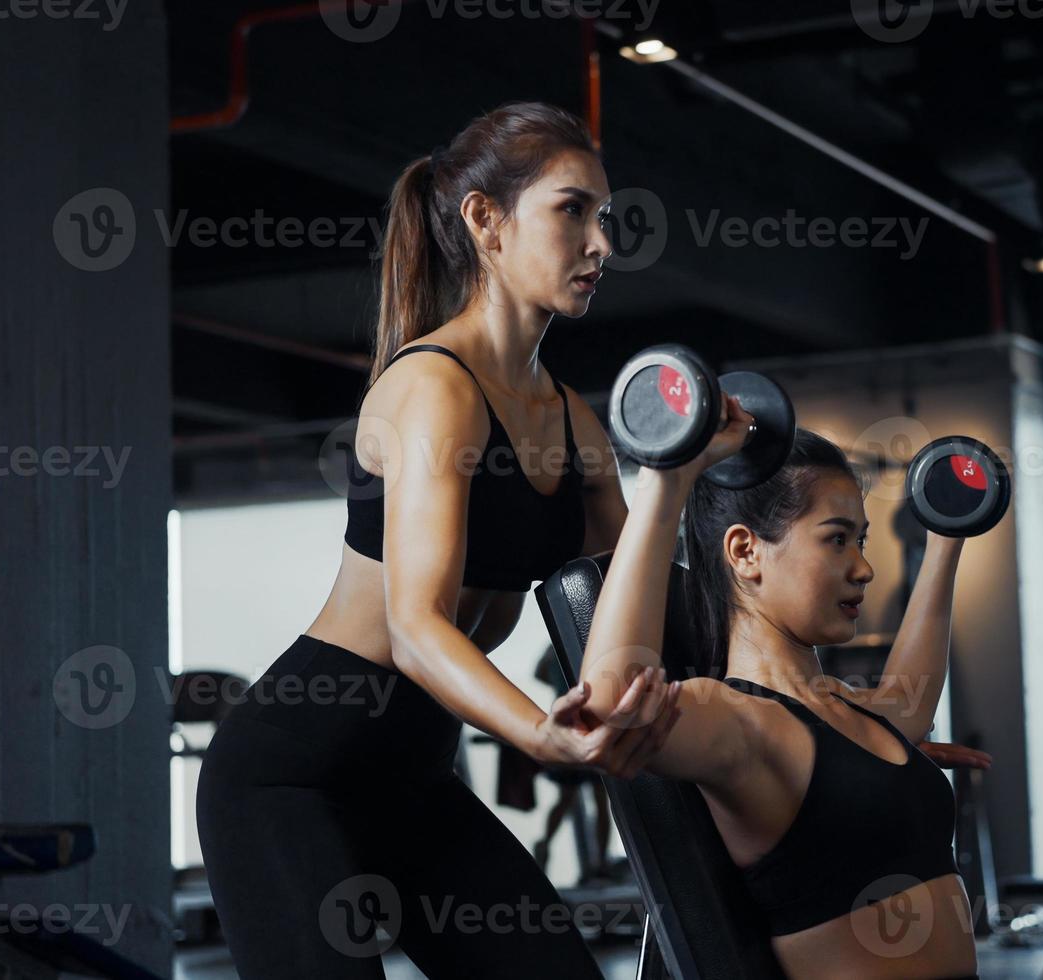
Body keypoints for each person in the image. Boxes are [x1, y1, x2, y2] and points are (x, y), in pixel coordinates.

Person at [195, 100, 680, 979]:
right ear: (485, 221)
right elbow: (416, 626)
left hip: (411, 780)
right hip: (291, 780)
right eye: (574, 210)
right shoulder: (433, 388)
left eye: (605, 218)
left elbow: (643, 619)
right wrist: (542, 735)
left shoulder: (576, 422)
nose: (603, 242)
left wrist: (833, 723)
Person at [580, 412, 983, 980]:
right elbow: (610, 702)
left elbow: (908, 704)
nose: (864, 568)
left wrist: (945, 536)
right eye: (837, 539)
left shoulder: (849, 712)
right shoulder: (734, 721)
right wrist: (663, 482)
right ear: (745, 552)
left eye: (861, 540)